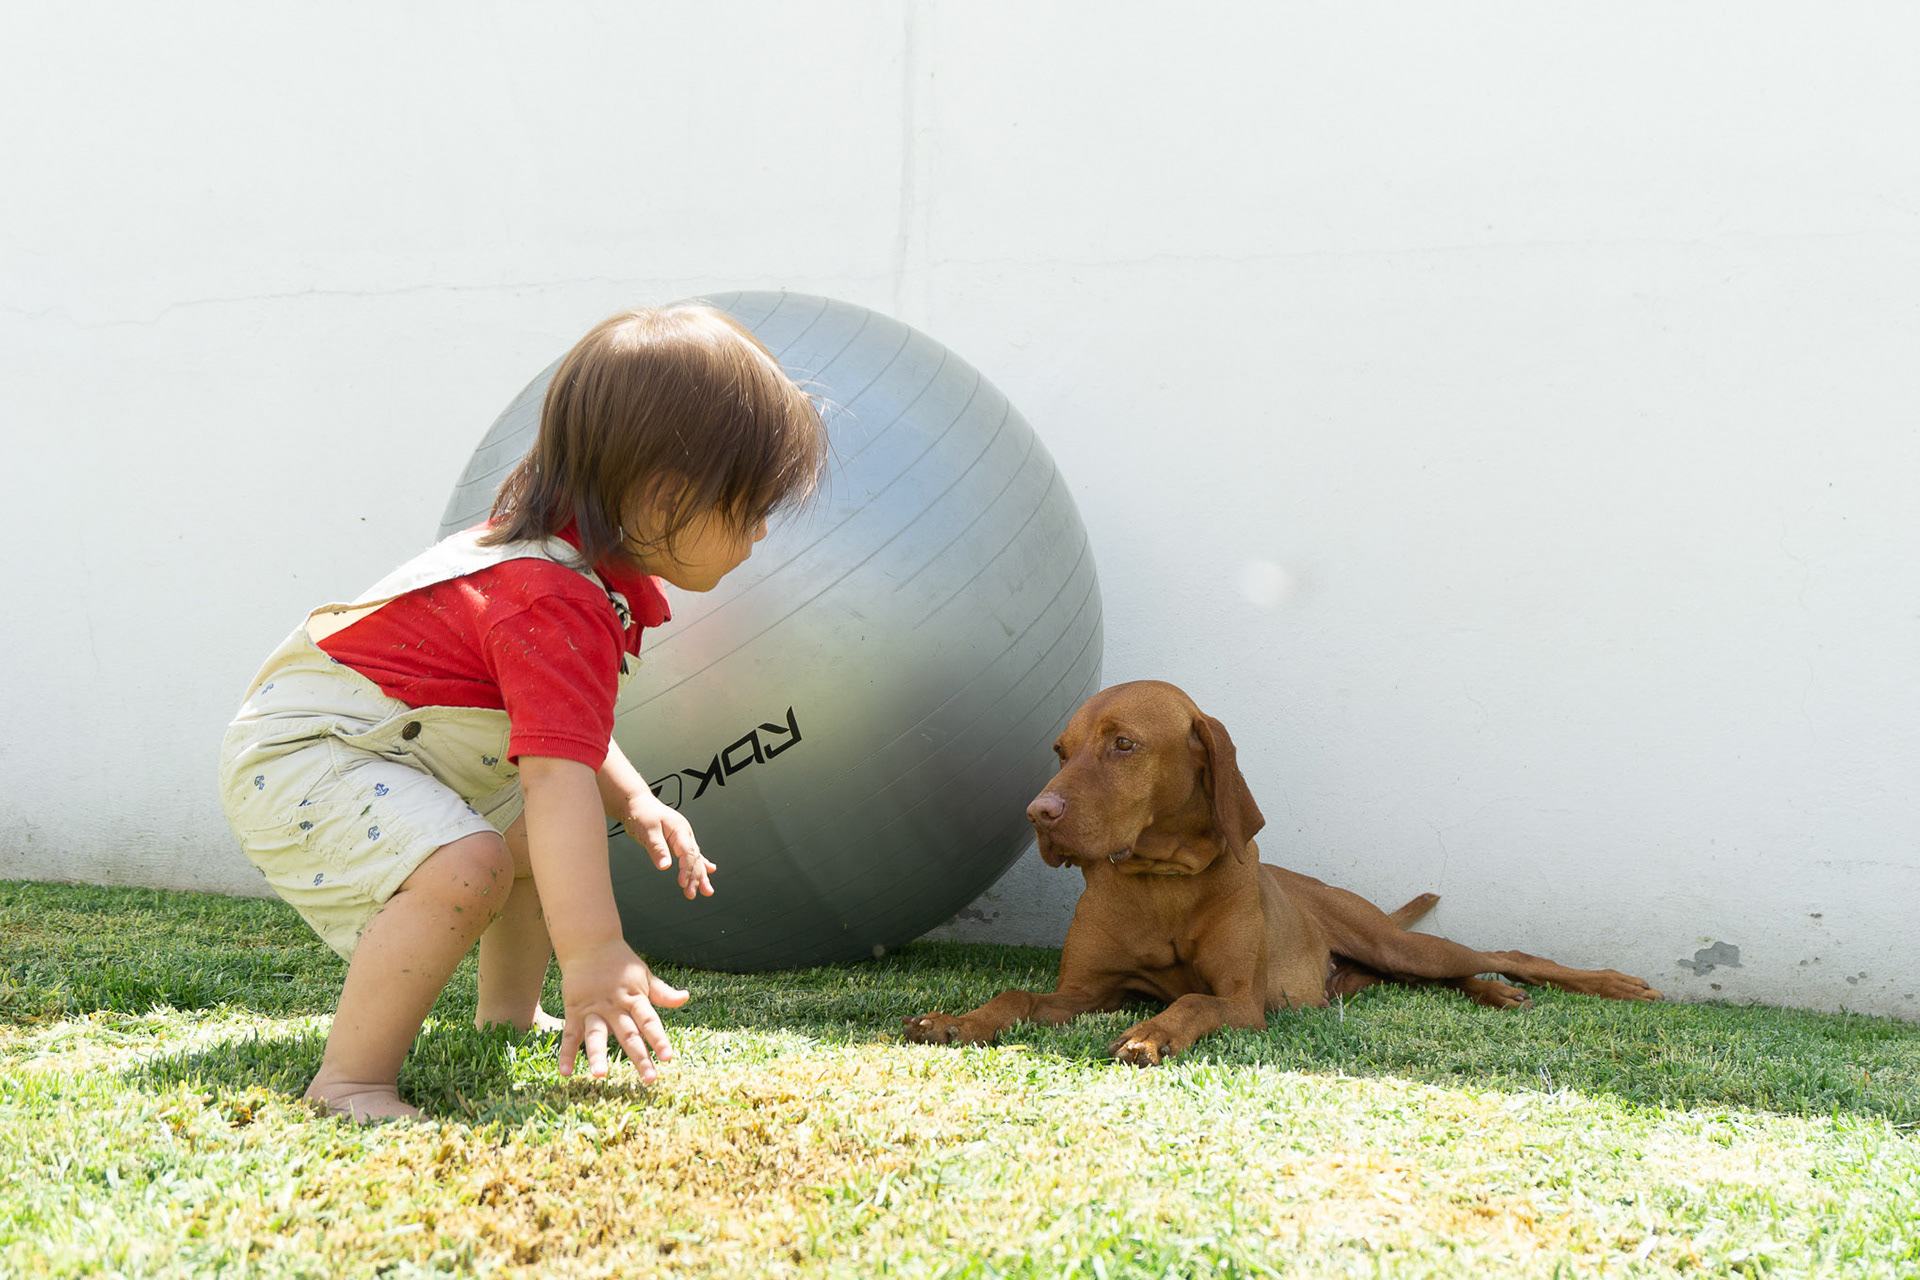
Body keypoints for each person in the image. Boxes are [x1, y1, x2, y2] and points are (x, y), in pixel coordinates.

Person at [217, 305, 828, 1121]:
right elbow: (553, 777)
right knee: (470, 866)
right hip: (309, 757)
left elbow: (563, 730)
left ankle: (506, 1013)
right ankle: (350, 1081)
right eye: (750, 506)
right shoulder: (548, 592)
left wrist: (637, 796)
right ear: (663, 495)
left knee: (527, 844)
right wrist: (596, 951)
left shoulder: (581, 580)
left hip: (362, 750)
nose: (758, 532)